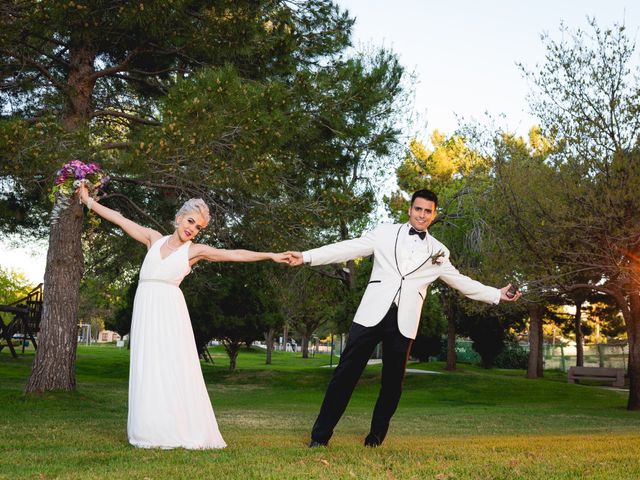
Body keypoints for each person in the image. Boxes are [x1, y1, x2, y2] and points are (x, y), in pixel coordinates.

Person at [287, 189, 521, 448]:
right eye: (418, 209)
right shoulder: (384, 233)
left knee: (392, 385)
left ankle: (375, 438)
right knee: (345, 375)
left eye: (427, 211)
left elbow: (461, 282)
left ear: (434, 215)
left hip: (404, 322)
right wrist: (307, 256)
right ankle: (319, 438)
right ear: (410, 210)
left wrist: (496, 294)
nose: (422, 215)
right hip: (370, 314)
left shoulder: (439, 252)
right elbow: (348, 247)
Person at [77, 184, 289, 449]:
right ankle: (149, 429)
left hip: (170, 314)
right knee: (148, 367)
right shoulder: (153, 239)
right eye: (190, 221)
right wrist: (88, 202)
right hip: (146, 309)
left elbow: (233, 254)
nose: (192, 229)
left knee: (171, 367)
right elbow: (120, 219)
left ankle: (177, 427)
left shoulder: (193, 252)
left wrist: (270, 255)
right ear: (179, 218)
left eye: (198, 227)